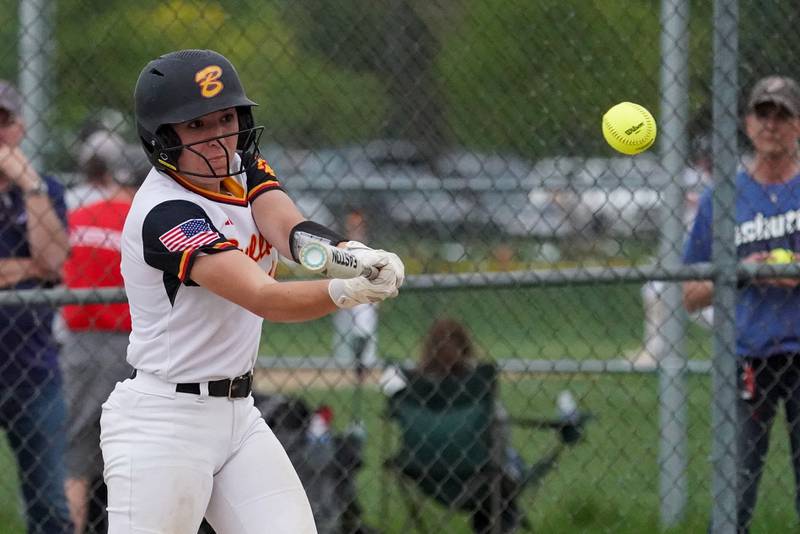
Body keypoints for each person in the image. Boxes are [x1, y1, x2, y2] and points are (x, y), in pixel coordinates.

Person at [99, 49, 404, 534]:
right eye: (196, 126)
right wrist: (348, 291)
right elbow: (263, 296)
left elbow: (291, 234)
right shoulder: (166, 212)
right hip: (164, 424)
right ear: (162, 137)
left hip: (239, 418)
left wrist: (352, 254)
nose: (219, 137)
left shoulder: (242, 167)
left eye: (226, 118)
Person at [682, 75, 800, 533]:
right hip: (749, 357)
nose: (771, 124)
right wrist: (744, 273)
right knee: (734, 493)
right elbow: (690, 294)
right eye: (762, 113)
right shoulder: (723, 199)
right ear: (748, 124)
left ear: (798, 126)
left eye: (783, 115)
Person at [60, 148, 148, 534]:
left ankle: (73, 527)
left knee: (76, 450)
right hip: (133, 344)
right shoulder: (145, 222)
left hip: (79, 341)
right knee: (135, 451)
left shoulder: (78, 217)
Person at [0, 80, 73, 532]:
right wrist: (29, 270)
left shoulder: (43, 190)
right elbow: (41, 268)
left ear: (20, 129)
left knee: (50, 506)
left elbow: (53, 261)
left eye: (3, 123)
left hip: (33, 367)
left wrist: (27, 184)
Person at [380, 318, 525, 533]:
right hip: (479, 469)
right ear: (466, 346)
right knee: (503, 475)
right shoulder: (477, 382)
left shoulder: (412, 384)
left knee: (494, 481)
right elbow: (500, 429)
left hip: (420, 469)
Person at [332, 209, 379, 366]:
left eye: (358, 225)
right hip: (343, 291)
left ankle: (362, 363)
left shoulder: (369, 248)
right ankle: (346, 365)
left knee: (363, 324)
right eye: (351, 225)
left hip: (364, 294)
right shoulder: (340, 245)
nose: (355, 228)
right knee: (343, 332)